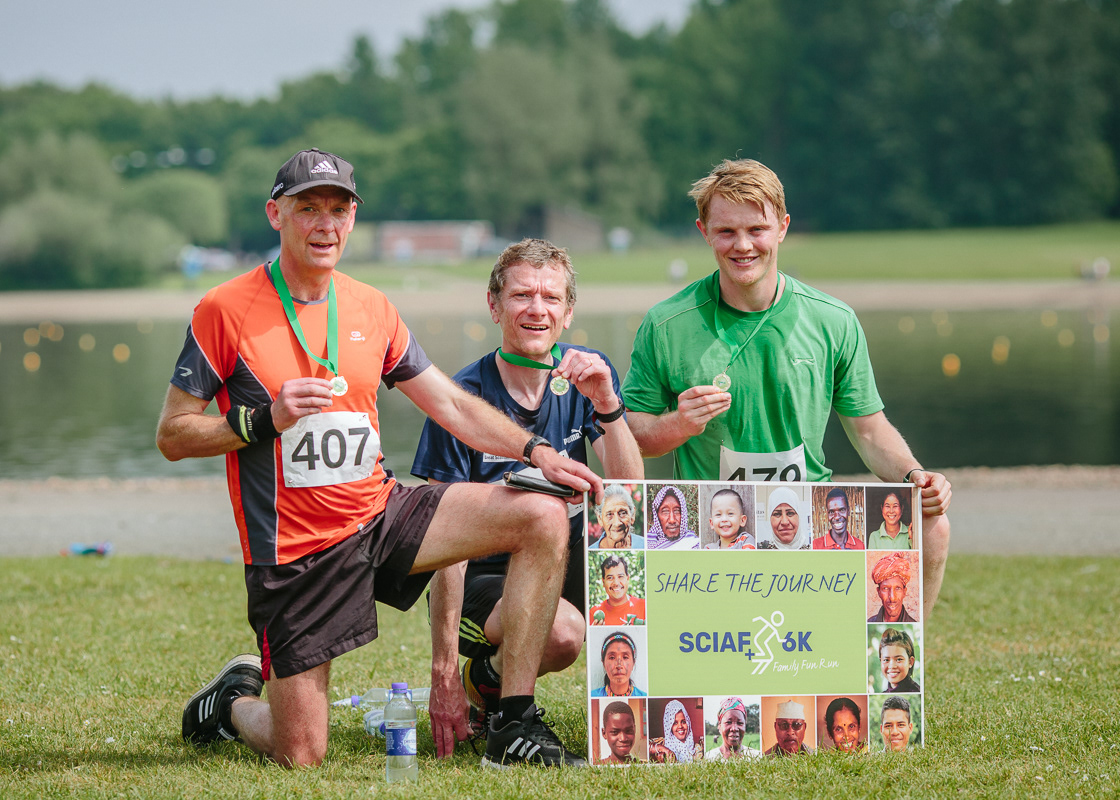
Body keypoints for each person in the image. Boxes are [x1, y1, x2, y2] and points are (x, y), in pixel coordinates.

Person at [158, 149, 603, 769]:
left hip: (378, 514)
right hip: (297, 550)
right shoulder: (224, 309)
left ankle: (513, 722)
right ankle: (231, 703)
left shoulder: (371, 306)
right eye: (308, 209)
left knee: (541, 514)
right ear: (275, 214)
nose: (325, 225)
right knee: (301, 752)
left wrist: (538, 451)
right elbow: (173, 434)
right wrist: (264, 419)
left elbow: (451, 403)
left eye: (339, 210)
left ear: (352, 219)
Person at [622, 159, 951, 616]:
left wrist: (916, 476)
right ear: (704, 232)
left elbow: (871, 432)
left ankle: (899, 653)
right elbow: (631, 437)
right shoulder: (665, 324)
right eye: (726, 232)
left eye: (756, 229)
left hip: (812, 523)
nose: (742, 245)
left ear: (782, 228)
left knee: (933, 523)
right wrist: (677, 424)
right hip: (712, 530)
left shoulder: (834, 320)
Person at [410, 238, 643, 754]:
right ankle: (482, 684)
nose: (537, 309)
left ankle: (650, 713)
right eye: (521, 295)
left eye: (551, 297)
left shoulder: (586, 375)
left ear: (568, 311)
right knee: (562, 634)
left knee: (647, 589)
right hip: (482, 576)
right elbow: (443, 546)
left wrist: (607, 402)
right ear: (494, 306)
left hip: (565, 557)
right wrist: (442, 669)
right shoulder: (463, 400)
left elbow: (628, 492)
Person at [589, 555, 645, 625]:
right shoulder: (593, 613)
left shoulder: (644, 607)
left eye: (620, 576)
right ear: (603, 582)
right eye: (610, 578)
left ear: (627, 579)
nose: (616, 583)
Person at [590, 632, 647, 697]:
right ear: (603, 663)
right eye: (612, 657)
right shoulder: (592, 696)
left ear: (633, 663)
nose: (619, 666)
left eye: (625, 657)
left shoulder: (644, 697)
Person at [868, 553, 918, 623]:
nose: (892, 598)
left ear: (904, 592)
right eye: (885, 588)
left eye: (898, 588)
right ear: (878, 592)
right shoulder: (869, 622)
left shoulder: (914, 624)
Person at [591, 484, 645, 549]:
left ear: (632, 515)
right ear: (600, 518)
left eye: (623, 513)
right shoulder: (591, 550)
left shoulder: (645, 545)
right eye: (609, 514)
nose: (617, 523)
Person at [646, 485, 699, 550]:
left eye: (677, 511)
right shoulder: (647, 545)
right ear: (657, 516)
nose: (672, 520)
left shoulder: (694, 544)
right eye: (665, 511)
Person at [879, 628, 921, 692]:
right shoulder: (884, 693)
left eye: (899, 659)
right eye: (886, 660)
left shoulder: (916, 691)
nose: (892, 666)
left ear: (910, 662)